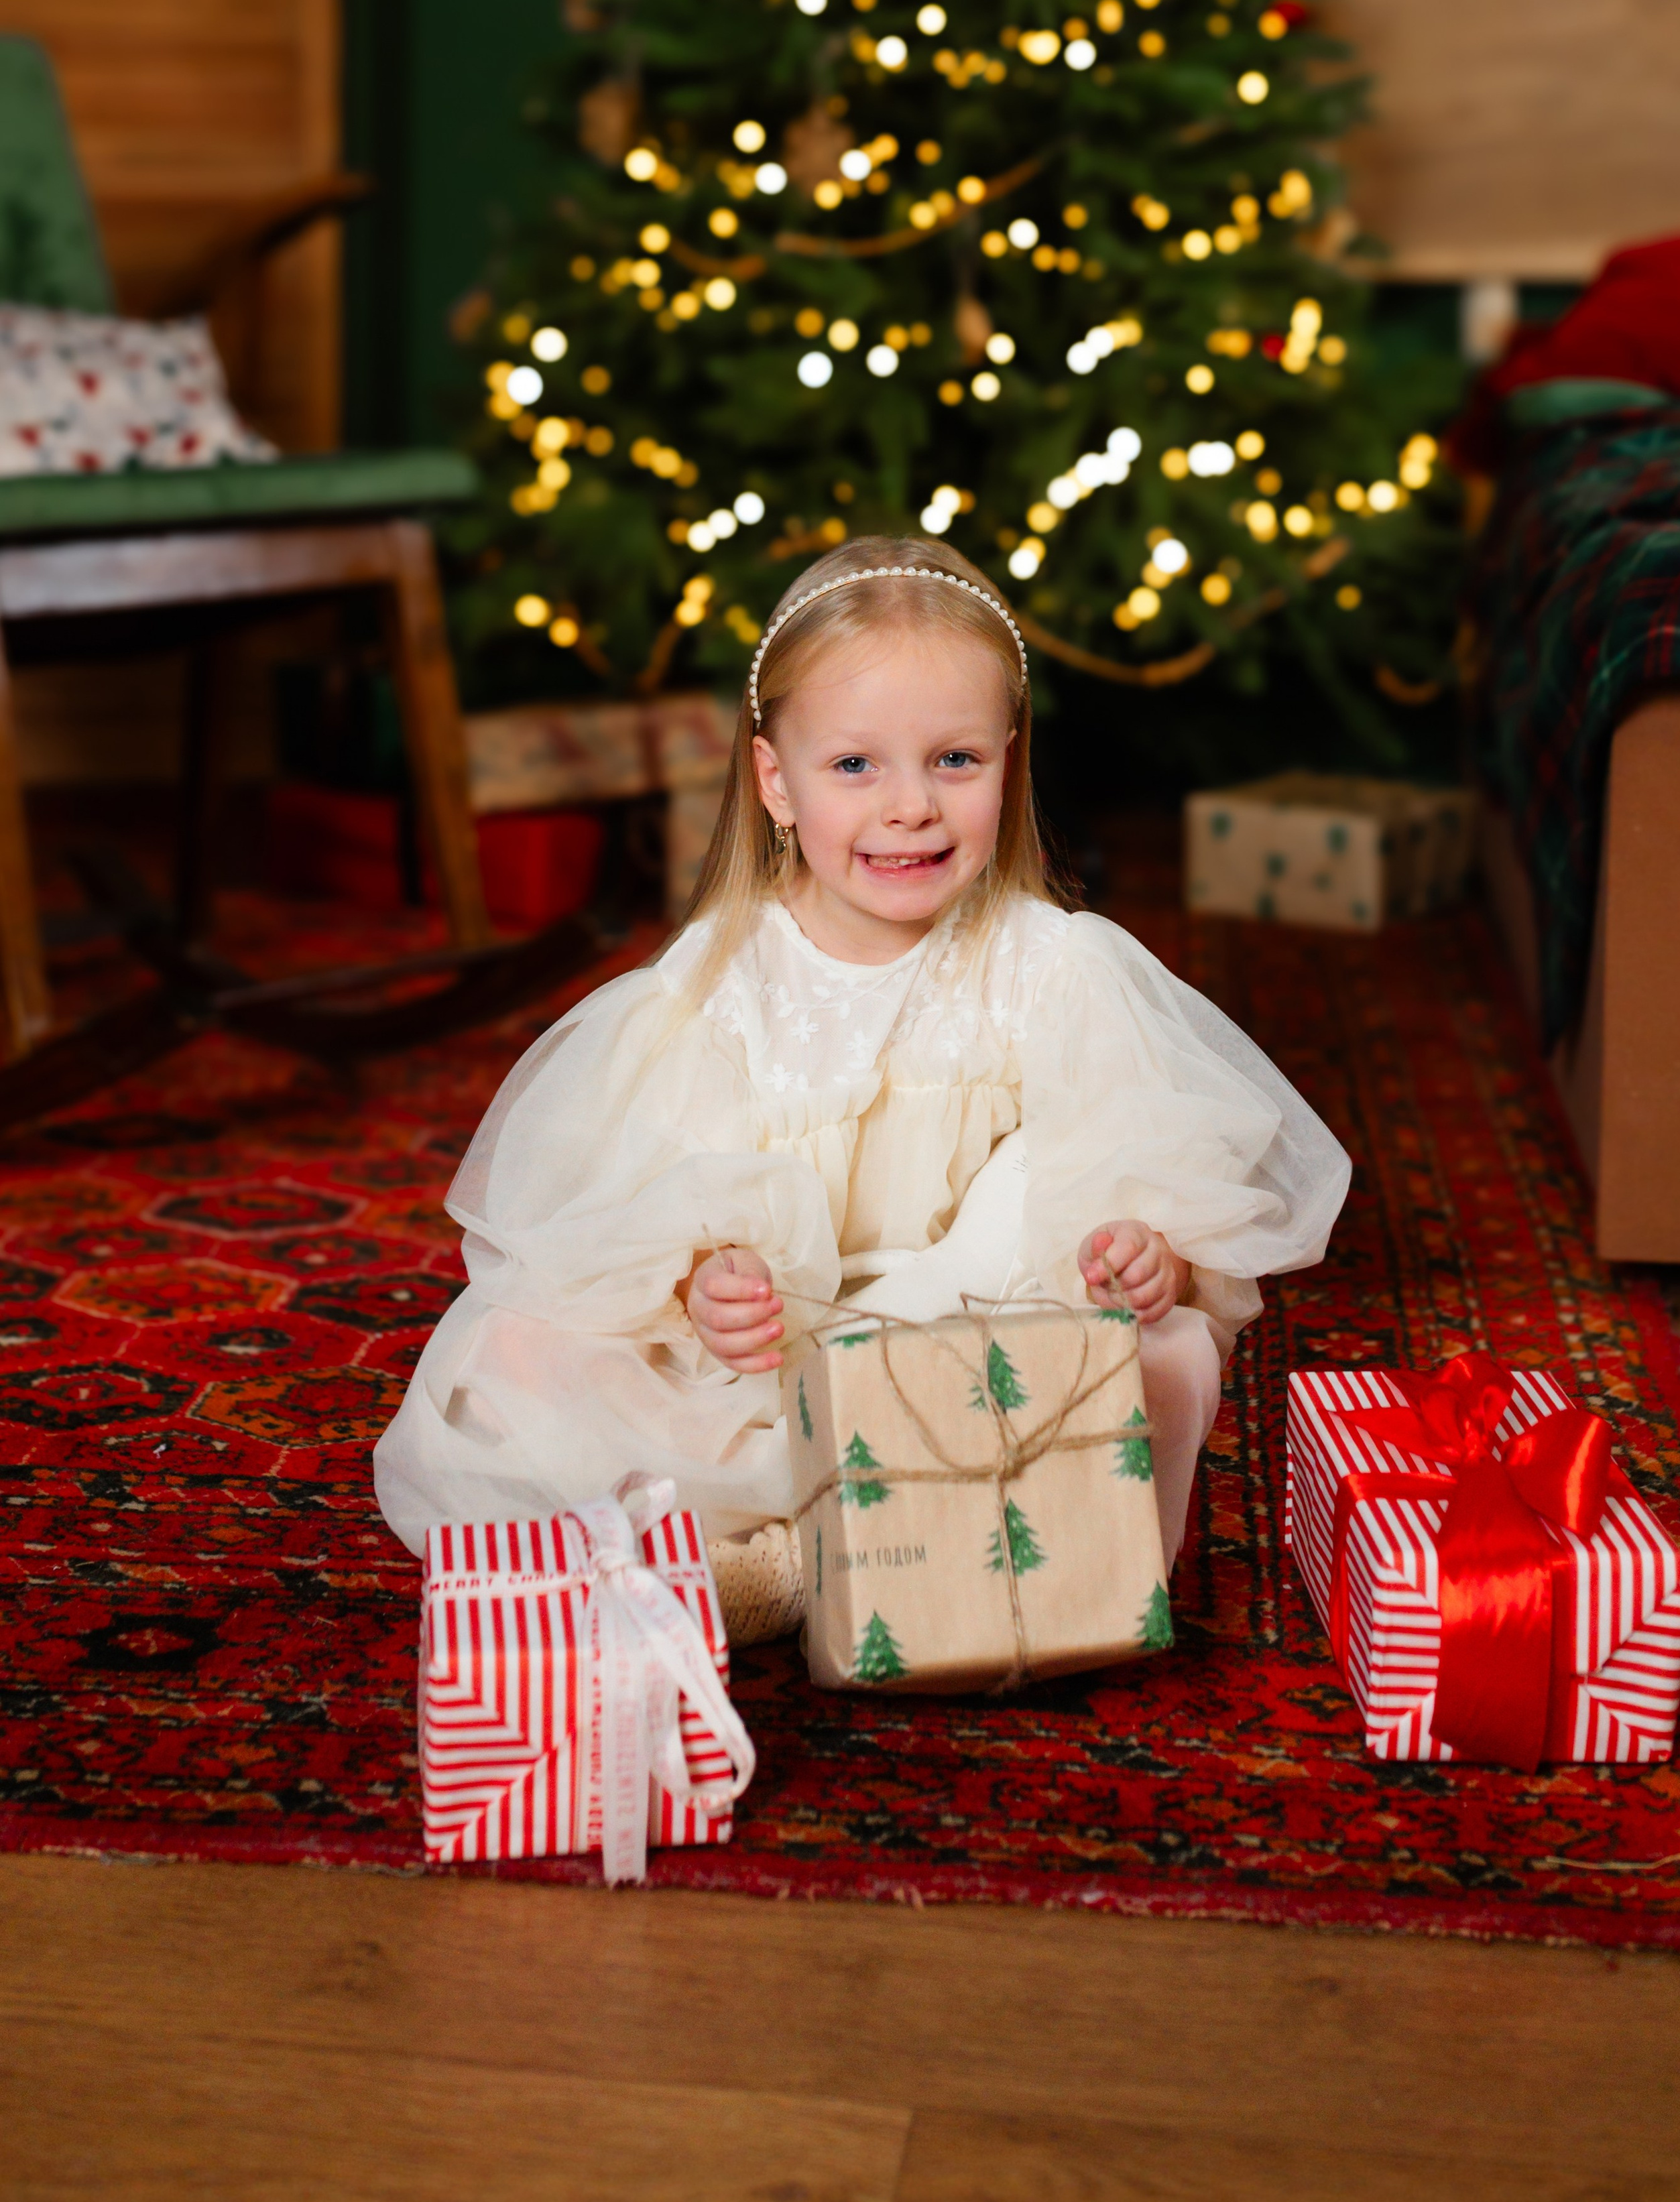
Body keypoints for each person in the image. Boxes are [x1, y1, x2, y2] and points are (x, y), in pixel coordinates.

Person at [374, 535, 1349, 1642]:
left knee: (1162, 1351)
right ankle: (863, 1547)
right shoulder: (720, 985)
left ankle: (800, 1564)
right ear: (775, 781)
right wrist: (708, 1287)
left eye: (954, 761)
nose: (910, 808)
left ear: (1008, 763)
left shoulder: (1055, 966)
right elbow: (646, 1206)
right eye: (854, 767)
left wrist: (1143, 1256)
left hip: (976, 1346)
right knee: (517, 1352)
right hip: (784, 1359)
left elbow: (1153, 1184)